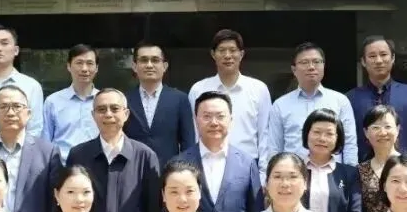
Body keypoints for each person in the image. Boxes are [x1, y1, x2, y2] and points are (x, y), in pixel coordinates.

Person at [187, 29, 272, 164]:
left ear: (241, 54)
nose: (227, 56)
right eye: (222, 50)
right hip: (208, 161)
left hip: (249, 162)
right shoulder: (199, 89)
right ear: (213, 54)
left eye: (233, 50)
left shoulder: (259, 89)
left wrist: (263, 170)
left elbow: (265, 134)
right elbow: (194, 132)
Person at [266, 42, 358, 166]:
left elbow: (349, 144)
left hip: (332, 173)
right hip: (294, 173)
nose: (311, 67)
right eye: (304, 62)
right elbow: (274, 148)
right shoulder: (280, 105)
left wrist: (349, 173)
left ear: (324, 66)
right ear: (294, 69)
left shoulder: (340, 101)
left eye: (316, 62)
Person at [347, 36, 407, 161]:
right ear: (363, 61)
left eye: (383, 54)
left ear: (393, 58)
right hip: (364, 167)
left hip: (403, 166)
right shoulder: (351, 98)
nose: (379, 60)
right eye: (372, 56)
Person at [124, 41, 195, 166]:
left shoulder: (180, 99)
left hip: (169, 172)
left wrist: (184, 170)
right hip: (133, 170)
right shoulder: (124, 100)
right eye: (144, 60)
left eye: (155, 60)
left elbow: (187, 142)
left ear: (165, 66)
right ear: (134, 66)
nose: (149, 65)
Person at [42, 44, 101, 162]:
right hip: (63, 166)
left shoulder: (104, 101)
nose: (84, 69)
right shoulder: (53, 101)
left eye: (90, 63)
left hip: (98, 165)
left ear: (96, 68)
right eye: (79, 63)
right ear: (69, 66)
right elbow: (45, 141)